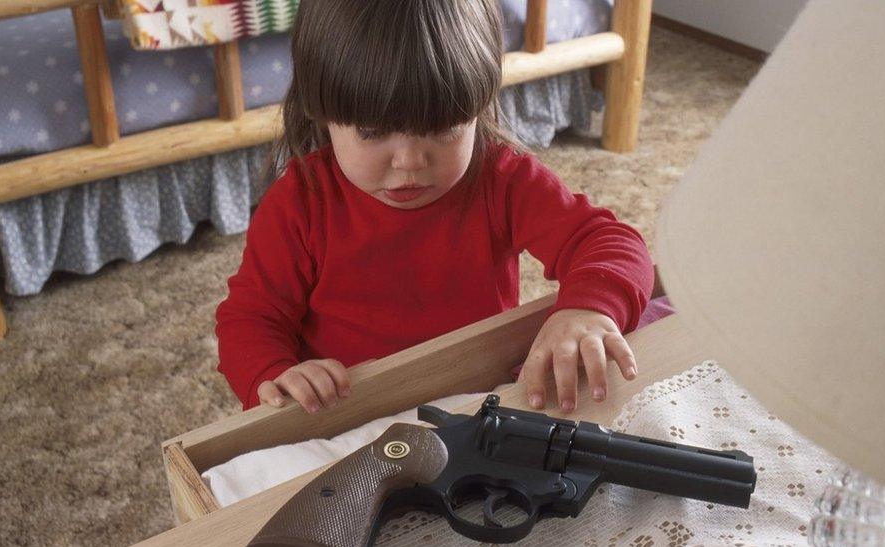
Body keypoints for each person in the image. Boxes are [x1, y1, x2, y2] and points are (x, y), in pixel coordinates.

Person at [215, 0, 654, 414]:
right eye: (371, 132)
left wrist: (588, 308)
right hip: (342, 414)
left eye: (442, 129)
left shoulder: (502, 178)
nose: (409, 162)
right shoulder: (301, 201)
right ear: (322, 112)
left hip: (477, 398)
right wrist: (274, 375)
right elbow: (250, 320)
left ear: (478, 108)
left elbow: (612, 243)